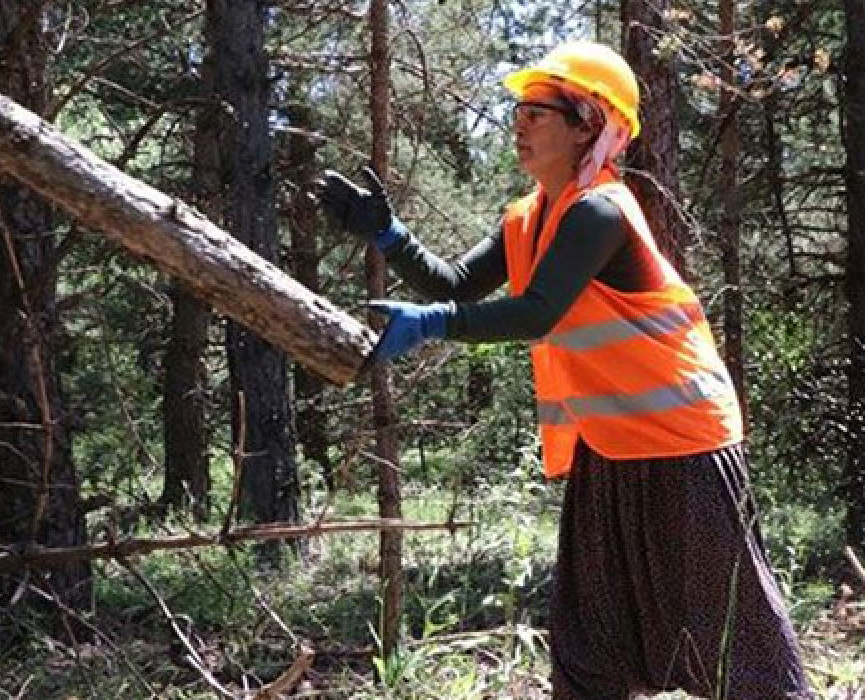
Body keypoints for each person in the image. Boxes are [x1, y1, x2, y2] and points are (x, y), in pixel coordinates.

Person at [311, 40, 812, 699]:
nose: (519, 121)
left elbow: (537, 311)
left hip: (684, 443)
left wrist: (433, 325)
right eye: (519, 108)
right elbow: (458, 283)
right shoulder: (527, 217)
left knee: (734, 641)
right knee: (589, 644)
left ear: (590, 124)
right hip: (609, 446)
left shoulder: (600, 211)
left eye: (538, 110)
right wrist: (390, 235)